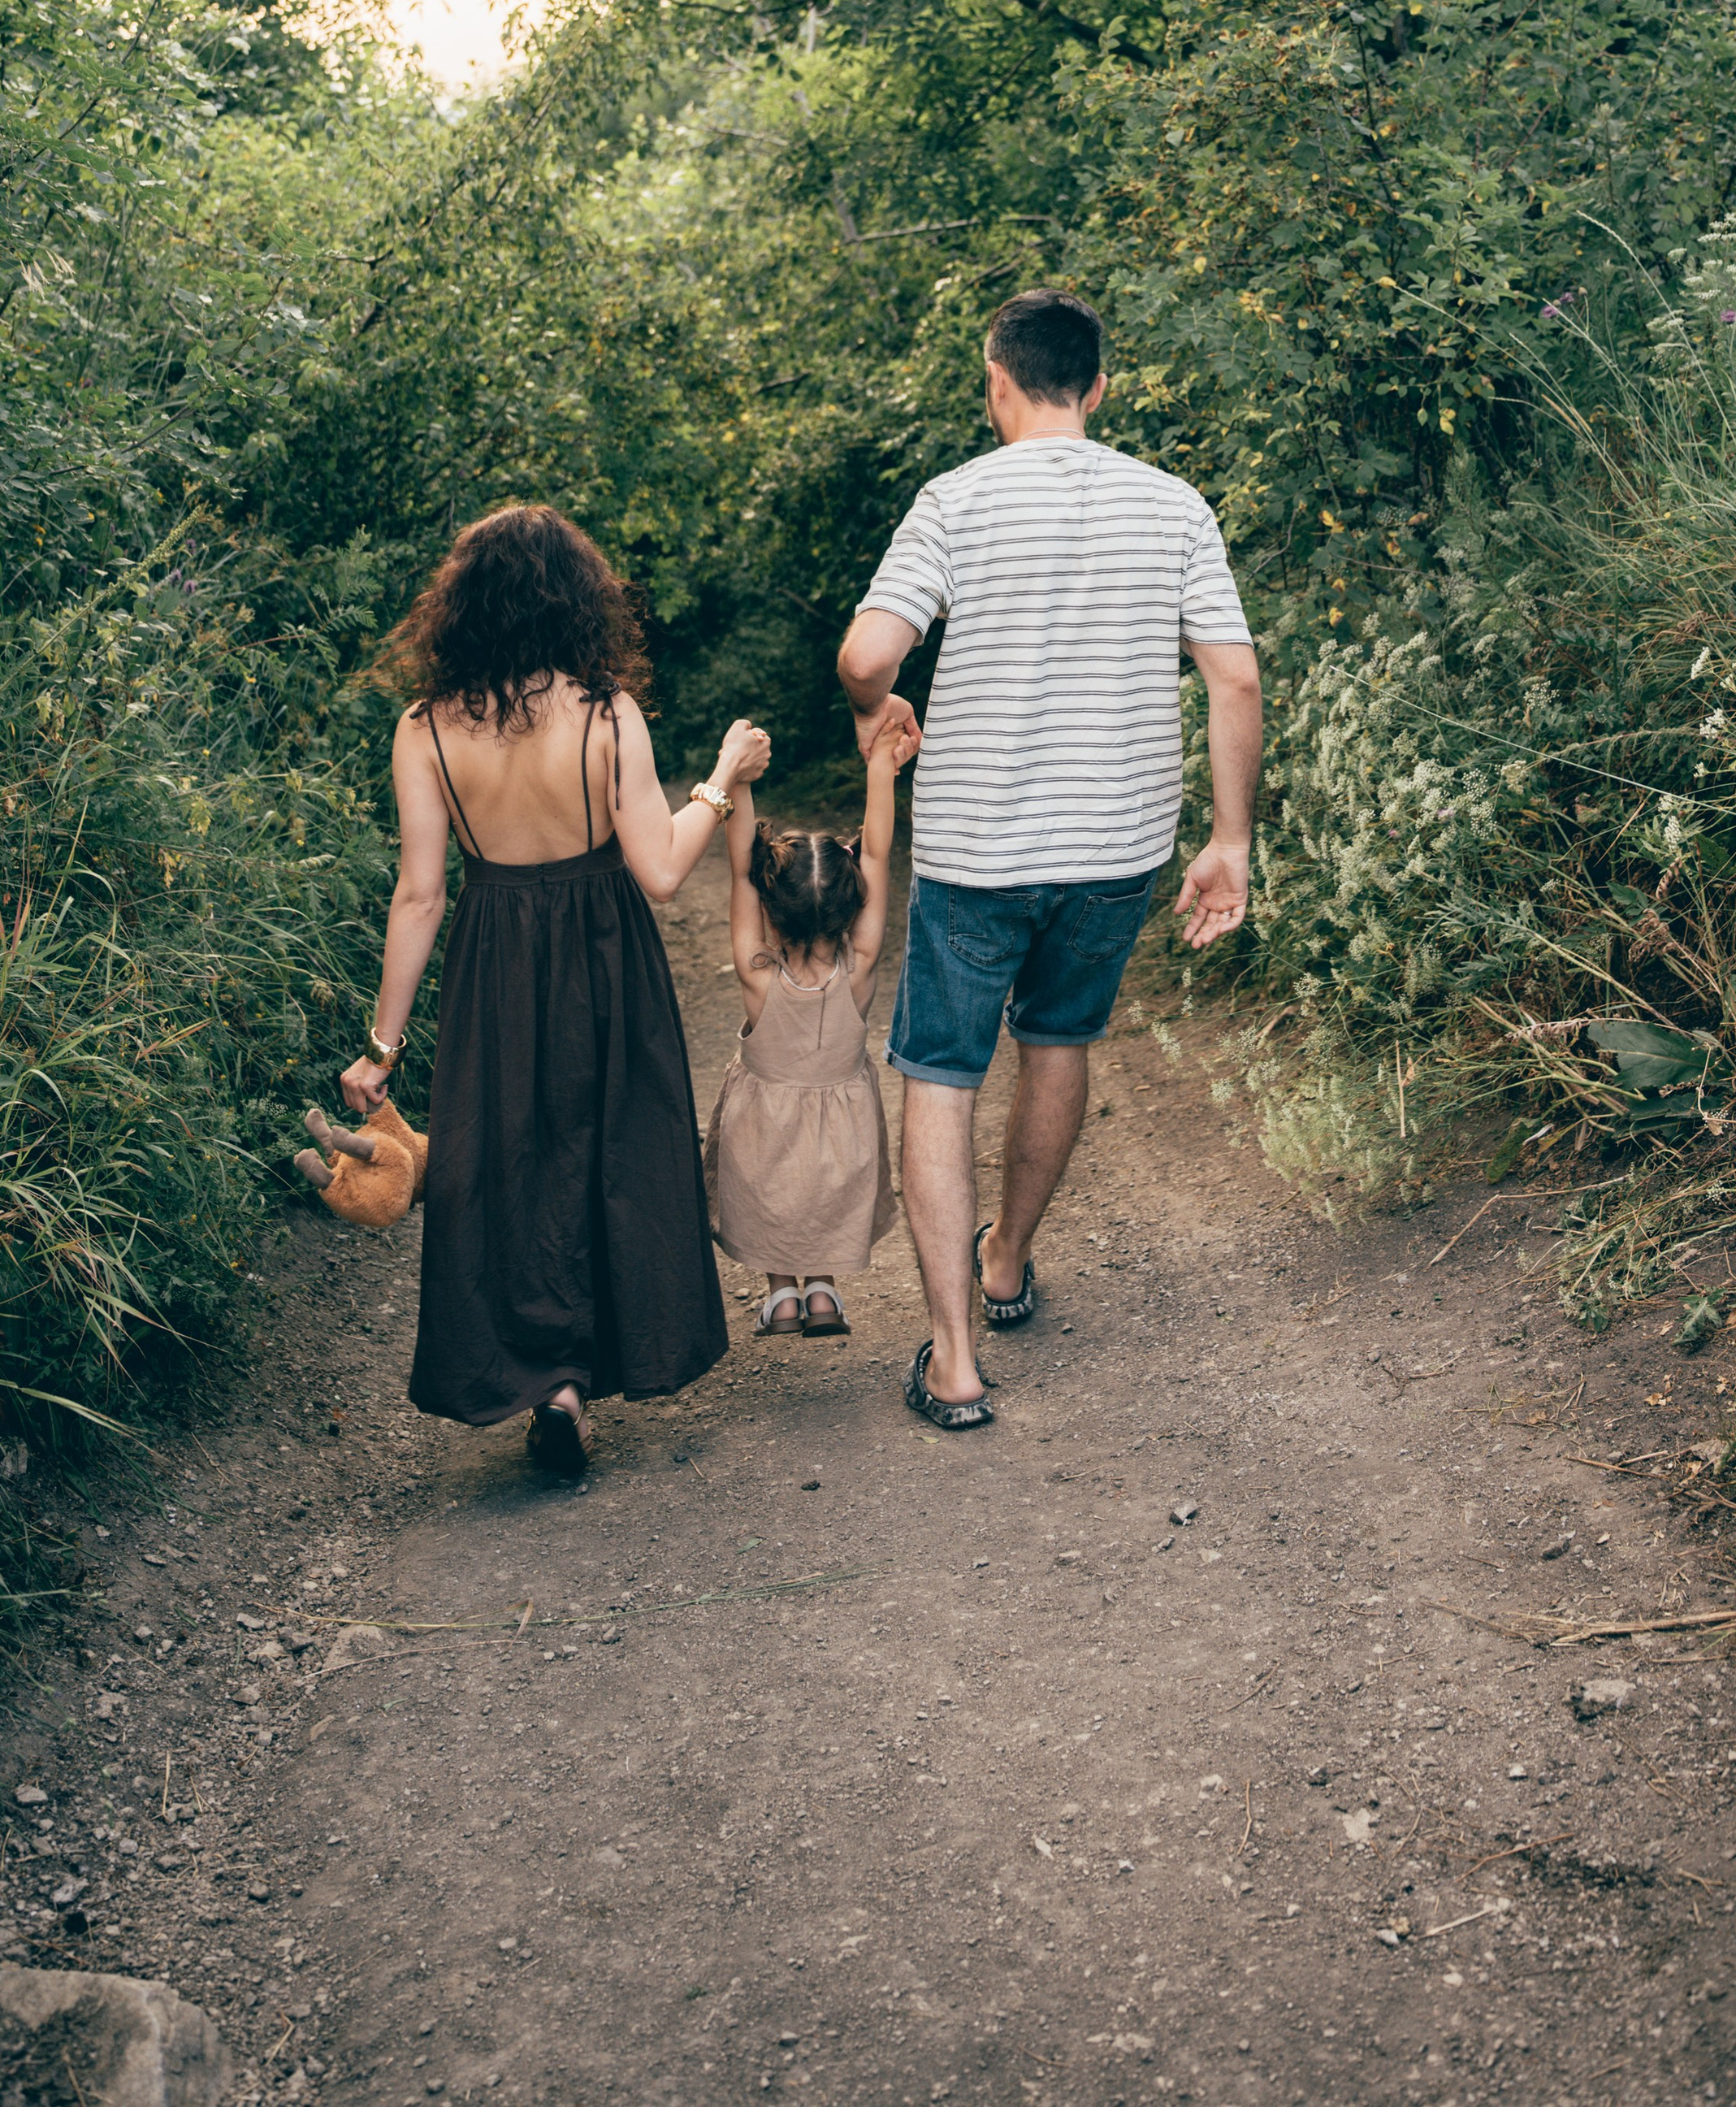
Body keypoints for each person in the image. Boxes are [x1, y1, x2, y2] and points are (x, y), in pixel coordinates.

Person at [836, 288, 1262, 1432]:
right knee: (1060, 1041)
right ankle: (1010, 1263)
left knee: (940, 1072)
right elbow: (1234, 678)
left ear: (996, 383)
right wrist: (1229, 841)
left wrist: (881, 709)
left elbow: (867, 652)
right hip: (1115, 849)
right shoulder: (1174, 508)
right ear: (1100, 389)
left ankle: (957, 1364)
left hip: (978, 851)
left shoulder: (956, 501)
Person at [344, 504, 769, 1476]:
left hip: (493, 952)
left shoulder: (425, 730)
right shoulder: (605, 712)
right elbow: (659, 872)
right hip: (604, 946)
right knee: (608, 1147)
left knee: (509, 1160)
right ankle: (592, 1362)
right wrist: (718, 782)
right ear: (578, 600)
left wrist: (383, 1046)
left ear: (461, 609)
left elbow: (419, 895)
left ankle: (550, 1379)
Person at [703, 705, 919, 1334]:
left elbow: (742, 867)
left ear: (772, 908)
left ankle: (781, 1296)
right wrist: (881, 765)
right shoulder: (861, 966)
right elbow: (878, 851)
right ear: (854, 904)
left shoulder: (756, 974)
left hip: (763, 1122)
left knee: (772, 1191)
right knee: (824, 1190)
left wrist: (739, 780)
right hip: (843, 1121)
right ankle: (822, 1289)